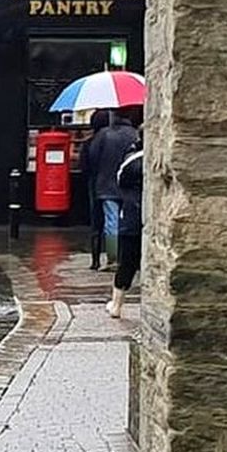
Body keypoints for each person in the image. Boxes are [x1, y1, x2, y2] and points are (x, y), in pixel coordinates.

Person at [86, 108, 138, 269]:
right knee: (131, 221)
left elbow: (92, 158)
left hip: (107, 185)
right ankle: (129, 257)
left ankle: (113, 258)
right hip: (130, 185)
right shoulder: (134, 134)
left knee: (111, 221)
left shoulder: (103, 135)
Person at [106, 133, 144, 318]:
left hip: (132, 216)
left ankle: (117, 304)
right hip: (150, 217)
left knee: (126, 263)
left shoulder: (133, 160)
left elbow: (120, 179)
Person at [81, 110, 111, 270]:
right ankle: (113, 257)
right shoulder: (119, 137)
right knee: (114, 222)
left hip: (95, 186)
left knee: (96, 225)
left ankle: (95, 260)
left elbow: (84, 167)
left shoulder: (89, 143)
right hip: (115, 185)